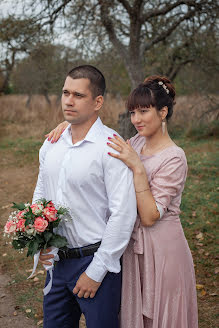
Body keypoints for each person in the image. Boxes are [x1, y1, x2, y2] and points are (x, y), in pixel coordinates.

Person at [48, 75, 198, 327]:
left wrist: (138, 168)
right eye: (133, 112)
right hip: (131, 247)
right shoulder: (135, 143)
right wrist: (70, 124)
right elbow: (97, 138)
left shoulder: (174, 157)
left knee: (160, 314)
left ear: (163, 112)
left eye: (144, 111)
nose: (136, 119)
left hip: (162, 249)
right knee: (131, 314)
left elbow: (150, 216)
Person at [33, 65, 137, 328]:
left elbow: (123, 214)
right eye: (66, 92)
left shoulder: (111, 146)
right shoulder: (51, 144)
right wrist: (40, 245)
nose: (69, 100)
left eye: (78, 95)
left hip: (96, 262)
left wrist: (96, 270)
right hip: (57, 262)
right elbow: (41, 195)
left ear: (98, 101)